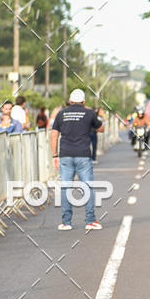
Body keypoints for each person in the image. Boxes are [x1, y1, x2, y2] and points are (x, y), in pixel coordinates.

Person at [50, 89, 104, 231]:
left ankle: (66, 222)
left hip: (66, 155)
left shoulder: (61, 114)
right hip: (83, 155)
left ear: (70, 100)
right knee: (87, 187)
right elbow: (101, 128)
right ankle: (90, 220)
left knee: (66, 187)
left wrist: (55, 155)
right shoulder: (89, 113)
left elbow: (54, 135)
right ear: (84, 101)